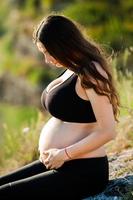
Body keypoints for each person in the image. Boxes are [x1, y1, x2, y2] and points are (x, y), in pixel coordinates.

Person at [0, 14, 120, 199]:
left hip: (82, 171)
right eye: (44, 53)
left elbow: (108, 131)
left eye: (49, 52)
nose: (47, 60)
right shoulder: (72, 68)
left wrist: (64, 154)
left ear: (64, 44)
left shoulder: (91, 72)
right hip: (58, 162)